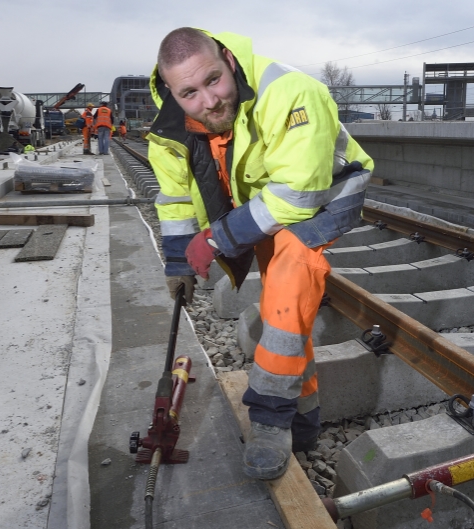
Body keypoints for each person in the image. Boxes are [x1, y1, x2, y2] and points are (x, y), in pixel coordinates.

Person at [148, 28, 373, 480]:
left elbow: (297, 195)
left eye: (213, 80)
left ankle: (271, 420)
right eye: (189, 93)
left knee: (287, 291)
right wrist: (178, 263)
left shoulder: (290, 93)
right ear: (171, 94)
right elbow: (174, 201)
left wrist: (214, 240)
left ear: (229, 60)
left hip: (322, 197)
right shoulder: (168, 132)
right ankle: (304, 422)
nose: (208, 101)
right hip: (263, 205)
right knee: (287, 318)